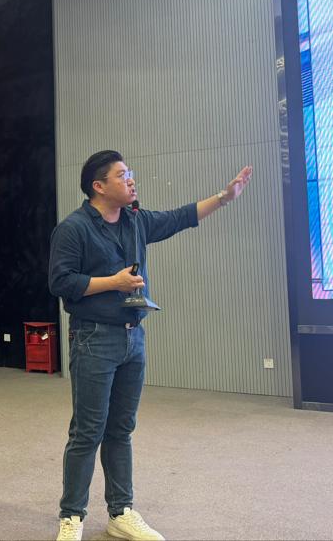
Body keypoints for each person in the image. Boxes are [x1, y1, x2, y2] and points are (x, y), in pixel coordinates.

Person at [49, 150, 252, 541]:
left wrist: (224, 198)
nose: (131, 180)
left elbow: (179, 217)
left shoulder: (135, 220)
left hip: (133, 337)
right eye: (122, 175)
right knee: (87, 431)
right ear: (98, 186)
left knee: (121, 429)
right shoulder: (74, 228)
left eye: (131, 173)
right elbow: (61, 283)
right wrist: (113, 282)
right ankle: (71, 516)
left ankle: (121, 512)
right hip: (93, 337)